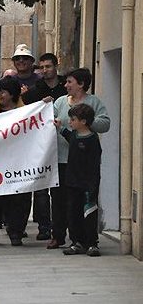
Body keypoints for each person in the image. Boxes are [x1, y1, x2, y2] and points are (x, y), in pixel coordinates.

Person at [47, 68, 110, 249]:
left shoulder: (94, 102)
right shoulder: (59, 102)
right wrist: (44, 106)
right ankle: (58, 235)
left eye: (69, 82)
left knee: (84, 202)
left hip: (84, 164)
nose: (66, 85)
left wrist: (86, 121)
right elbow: (46, 118)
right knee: (59, 201)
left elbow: (105, 124)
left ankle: (88, 239)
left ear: (81, 84)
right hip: (60, 159)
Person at [21, 53, 67, 242]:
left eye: (48, 66)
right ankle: (44, 227)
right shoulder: (34, 91)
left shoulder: (66, 87)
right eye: (42, 67)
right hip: (40, 146)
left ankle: (62, 227)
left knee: (61, 192)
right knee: (41, 190)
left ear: (56, 66)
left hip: (62, 145)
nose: (45, 70)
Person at [0, 77, 31, 246]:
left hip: (18, 161)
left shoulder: (25, 112)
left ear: (12, 94)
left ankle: (16, 232)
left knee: (18, 200)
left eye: (3, 92)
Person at [55, 104, 102, 257]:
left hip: (88, 183)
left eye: (73, 119)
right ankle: (77, 242)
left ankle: (92, 243)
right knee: (73, 213)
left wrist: (93, 184)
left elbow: (95, 164)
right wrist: (60, 128)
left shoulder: (92, 139)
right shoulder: (74, 135)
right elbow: (68, 135)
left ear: (83, 121)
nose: (70, 121)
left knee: (89, 213)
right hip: (72, 182)